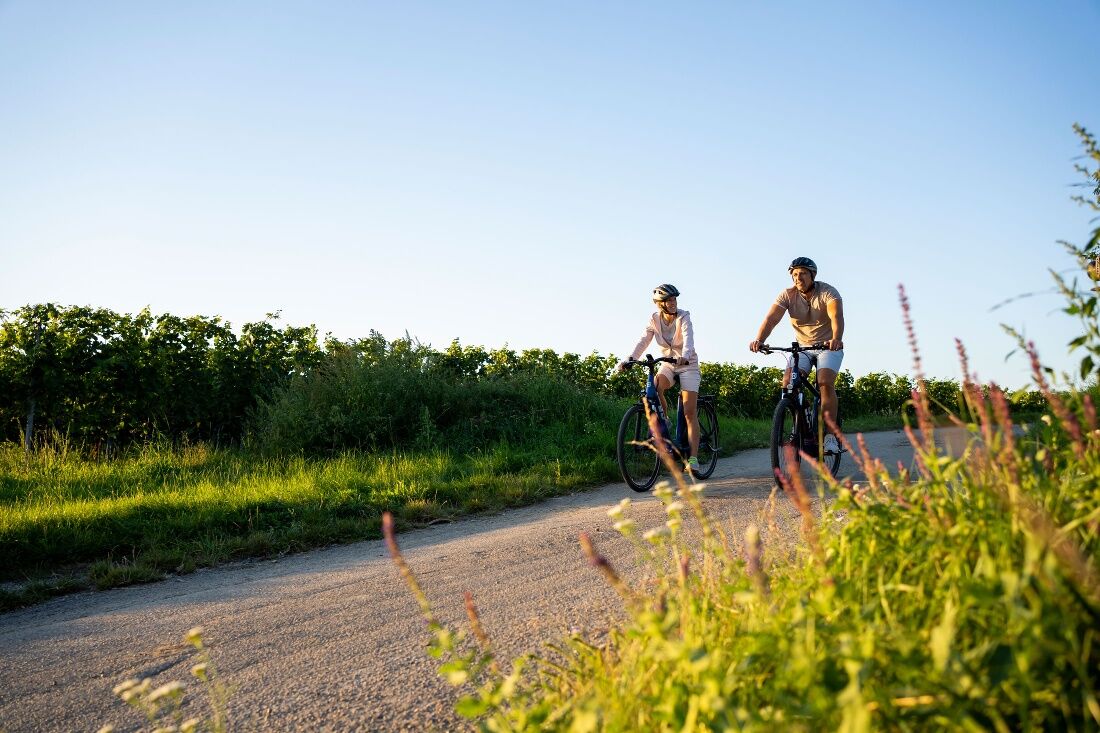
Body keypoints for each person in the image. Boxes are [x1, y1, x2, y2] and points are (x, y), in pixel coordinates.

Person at [749, 257, 845, 453]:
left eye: (802, 273)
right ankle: (802, 418)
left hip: (828, 346)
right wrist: (759, 340)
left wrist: (836, 338)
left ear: (812, 275)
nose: (798, 278)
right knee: (788, 383)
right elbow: (771, 319)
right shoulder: (787, 294)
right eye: (794, 274)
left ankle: (830, 436)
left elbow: (836, 316)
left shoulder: (827, 292)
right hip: (803, 347)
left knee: (825, 382)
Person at [617, 283, 702, 473]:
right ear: (659, 304)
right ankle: (665, 420)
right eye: (669, 300)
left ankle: (693, 459)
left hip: (687, 364)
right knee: (655, 387)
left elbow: (688, 338)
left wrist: (685, 356)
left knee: (689, 412)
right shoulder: (654, 319)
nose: (673, 302)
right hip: (668, 363)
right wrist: (630, 359)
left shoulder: (684, 316)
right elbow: (643, 341)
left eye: (674, 299)